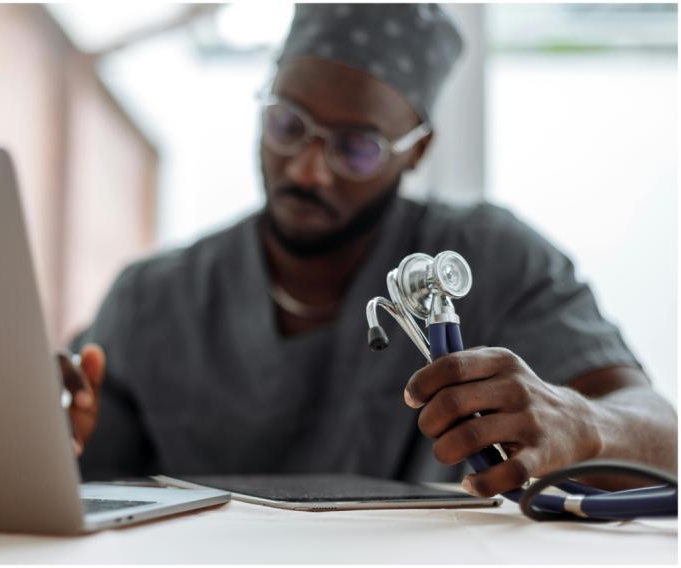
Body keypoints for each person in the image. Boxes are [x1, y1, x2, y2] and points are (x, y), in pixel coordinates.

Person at [62, 4, 677, 497]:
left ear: (417, 149)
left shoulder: (493, 262)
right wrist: (50, 437)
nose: (308, 170)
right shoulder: (152, 300)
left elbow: (665, 439)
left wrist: (584, 425)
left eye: (355, 147)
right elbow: (86, 488)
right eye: (287, 124)